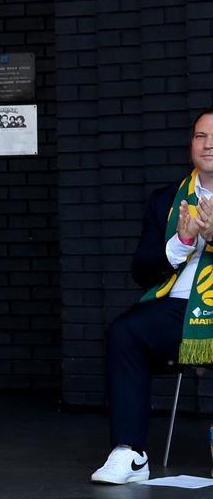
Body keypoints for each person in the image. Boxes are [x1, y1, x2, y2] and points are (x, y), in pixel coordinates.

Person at [90, 110, 213, 485]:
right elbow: (141, 271)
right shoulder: (167, 200)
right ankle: (129, 453)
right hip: (177, 311)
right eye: (200, 136)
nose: (208, 145)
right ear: (190, 144)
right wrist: (183, 242)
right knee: (126, 332)